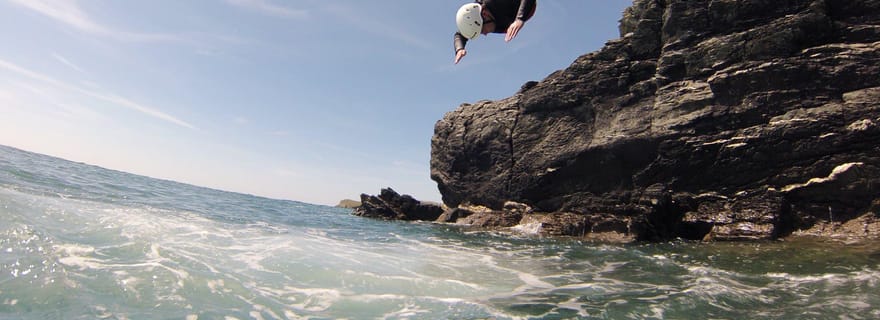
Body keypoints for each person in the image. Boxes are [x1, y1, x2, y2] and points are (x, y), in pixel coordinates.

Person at [453, 0, 537, 64]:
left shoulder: (497, 2)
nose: (485, 34)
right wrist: (460, 49)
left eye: (482, 30)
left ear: (485, 15)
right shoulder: (476, 17)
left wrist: (520, 18)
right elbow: (459, 34)